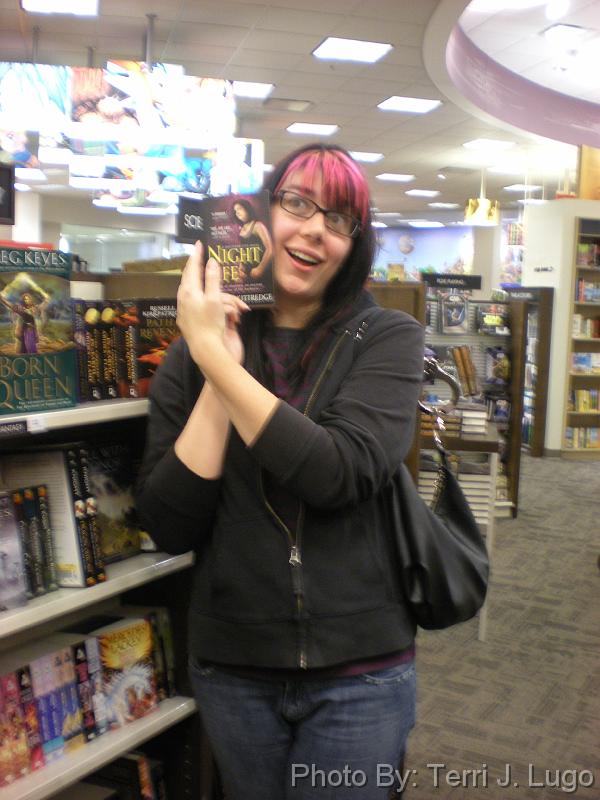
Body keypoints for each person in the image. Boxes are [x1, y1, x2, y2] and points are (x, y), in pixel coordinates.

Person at [136, 143, 425, 799]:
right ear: (262, 214)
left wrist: (217, 362)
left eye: (339, 218)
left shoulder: (388, 338)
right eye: (297, 203)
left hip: (361, 670)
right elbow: (170, 524)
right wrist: (216, 362)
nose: (314, 229)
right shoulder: (194, 354)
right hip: (234, 666)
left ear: (354, 243)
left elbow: (337, 473)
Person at [231, 197, 273, 280]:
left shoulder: (258, 225)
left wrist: (260, 269)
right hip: (247, 273)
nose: (237, 213)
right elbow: (243, 250)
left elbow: (270, 249)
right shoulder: (241, 229)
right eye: (235, 211)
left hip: (260, 271)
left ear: (247, 209)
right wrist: (240, 266)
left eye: (239, 209)